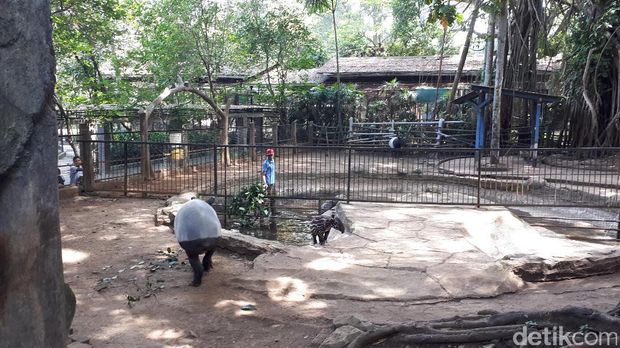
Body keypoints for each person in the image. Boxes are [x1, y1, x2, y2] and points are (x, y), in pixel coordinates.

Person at [262, 148, 276, 214]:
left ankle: (273, 211)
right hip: (268, 183)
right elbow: (263, 174)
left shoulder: (273, 161)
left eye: (271, 155)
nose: (270, 156)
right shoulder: (265, 163)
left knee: (272, 198)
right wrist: (265, 183)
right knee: (267, 198)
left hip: (272, 182)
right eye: (269, 155)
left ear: (273, 154)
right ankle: (264, 212)